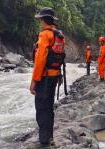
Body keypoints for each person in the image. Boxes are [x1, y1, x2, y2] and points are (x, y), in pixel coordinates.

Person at [30, 7, 64, 148]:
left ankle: (44, 141)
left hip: (44, 77)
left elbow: (40, 59)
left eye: (40, 20)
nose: (39, 22)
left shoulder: (45, 35)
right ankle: (49, 136)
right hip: (55, 75)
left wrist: (34, 81)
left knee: (42, 108)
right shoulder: (59, 35)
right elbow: (60, 56)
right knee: (49, 107)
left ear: (43, 20)